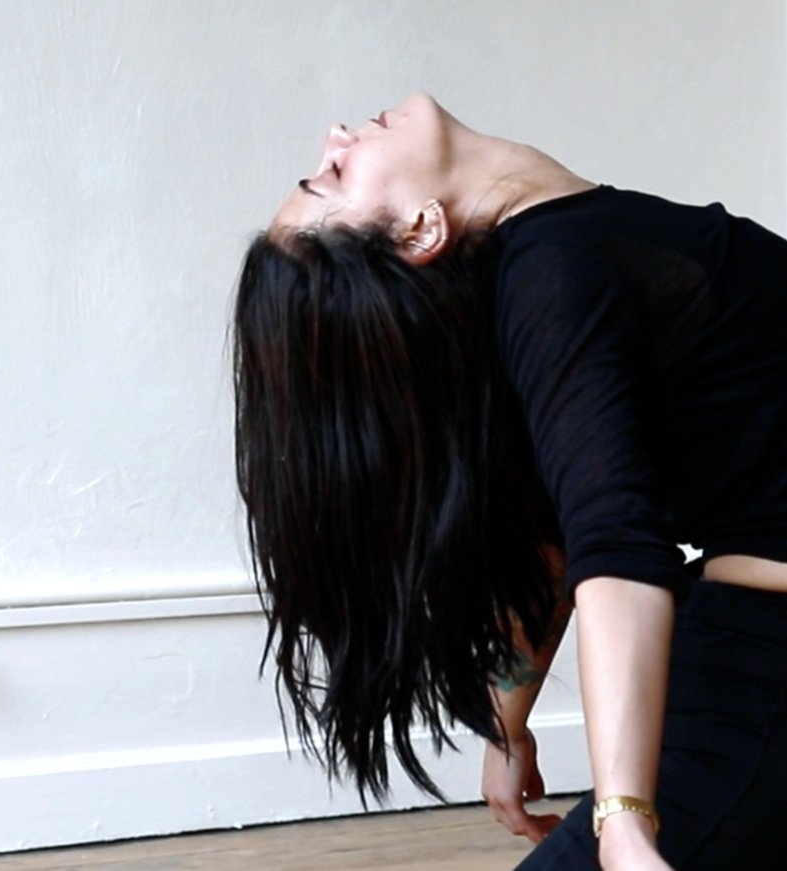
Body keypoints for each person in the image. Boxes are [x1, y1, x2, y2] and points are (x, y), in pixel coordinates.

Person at [232, 93, 787, 870]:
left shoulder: (550, 262)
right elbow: (612, 548)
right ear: (421, 228)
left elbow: (558, 530)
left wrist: (507, 722)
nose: (334, 137)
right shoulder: (551, 272)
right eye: (331, 174)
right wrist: (624, 821)